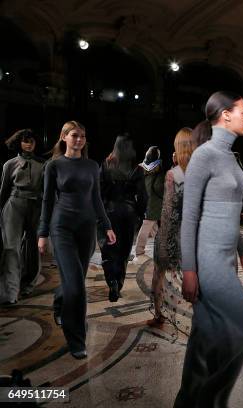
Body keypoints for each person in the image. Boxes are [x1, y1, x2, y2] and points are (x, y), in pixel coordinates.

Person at [176, 91, 243, 408]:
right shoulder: (205, 155)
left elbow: (229, 211)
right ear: (225, 115)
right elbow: (190, 217)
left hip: (226, 256)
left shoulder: (229, 156)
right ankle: (209, 400)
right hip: (208, 261)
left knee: (204, 343)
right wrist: (189, 270)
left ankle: (188, 403)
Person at [37, 121, 116, 359]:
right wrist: (42, 233)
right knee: (77, 287)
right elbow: (47, 201)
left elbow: (97, 199)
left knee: (74, 281)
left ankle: (60, 301)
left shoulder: (92, 166)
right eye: (74, 135)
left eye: (82, 136)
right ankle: (77, 340)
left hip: (86, 230)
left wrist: (107, 226)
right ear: (64, 137)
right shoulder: (54, 166)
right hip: (61, 228)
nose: (79, 140)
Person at [151, 127, 197, 325]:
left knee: (158, 275)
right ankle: (201, 320)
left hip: (173, 233)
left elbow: (168, 211)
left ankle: (158, 314)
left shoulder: (173, 174)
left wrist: (165, 239)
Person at [99, 135, 147, 302]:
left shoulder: (105, 165)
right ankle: (118, 284)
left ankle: (111, 280)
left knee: (108, 249)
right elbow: (142, 196)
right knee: (124, 251)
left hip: (108, 212)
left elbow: (99, 191)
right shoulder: (137, 169)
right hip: (128, 213)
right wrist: (141, 214)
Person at [0, 129, 45, 305]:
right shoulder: (9, 164)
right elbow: (3, 192)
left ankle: (28, 285)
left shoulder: (43, 164)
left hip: (35, 206)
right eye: (25, 141)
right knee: (11, 248)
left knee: (33, 248)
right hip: (14, 205)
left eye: (32, 141)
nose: (29, 144)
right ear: (19, 142)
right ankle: (11, 292)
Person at [133, 146, 164, 261]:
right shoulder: (158, 170)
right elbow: (159, 188)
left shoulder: (141, 168)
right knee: (146, 227)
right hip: (153, 204)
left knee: (154, 228)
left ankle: (161, 249)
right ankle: (139, 251)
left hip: (145, 201)